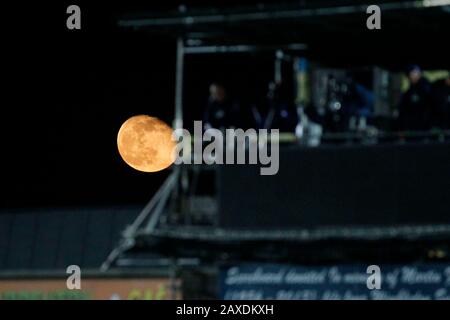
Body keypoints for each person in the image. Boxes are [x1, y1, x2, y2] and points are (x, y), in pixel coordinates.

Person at [397, 65, 432, 131]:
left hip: (425, 126)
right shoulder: (408, 92)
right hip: (411, 126)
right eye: (412, 73)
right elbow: (403, 110)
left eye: (416, 73)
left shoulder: (426, 88)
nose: (414, 76)